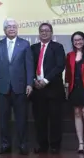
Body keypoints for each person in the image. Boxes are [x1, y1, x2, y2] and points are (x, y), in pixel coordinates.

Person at [0, 18, 34, 155]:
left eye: (14, 26)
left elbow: (29, 66)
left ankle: (22, 145)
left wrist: (29, 83)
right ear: (4, 30)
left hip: (20, 87)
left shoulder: (25, 44)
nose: (12, 28)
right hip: (3, 88)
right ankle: (5, 145)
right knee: (4, 119)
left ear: (17, 28)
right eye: (9, 27)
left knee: (21, 119)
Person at [30, 23, 66, 154]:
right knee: (40, 119)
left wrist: (45, 80)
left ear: (51, 33)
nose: (44, 33)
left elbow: (60, 66)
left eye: (47, 31)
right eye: (41, 31)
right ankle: (42, 145)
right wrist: (34, 80)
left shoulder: (58, 47)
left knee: (55, 119)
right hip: (37, 90)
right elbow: (29, 66)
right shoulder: (33, 48)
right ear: (39, 33)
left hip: (53, 89)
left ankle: (55, 145)